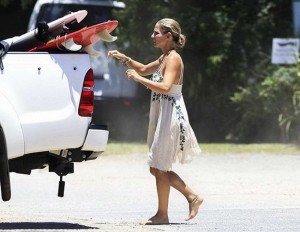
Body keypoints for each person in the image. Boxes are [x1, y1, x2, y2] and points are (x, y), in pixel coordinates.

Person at [108, 18, 203, 225]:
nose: (153, 36)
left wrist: (137, 79)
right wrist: (125, 59)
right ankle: (180, 204)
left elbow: (166, 87)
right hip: (164, 114)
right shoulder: (164, 58)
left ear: (169, 36)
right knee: (157, 167)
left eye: (156, 33)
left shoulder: (173, 59)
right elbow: (142, 68)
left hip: (172, 115)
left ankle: (177, 206)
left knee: (159, 166)